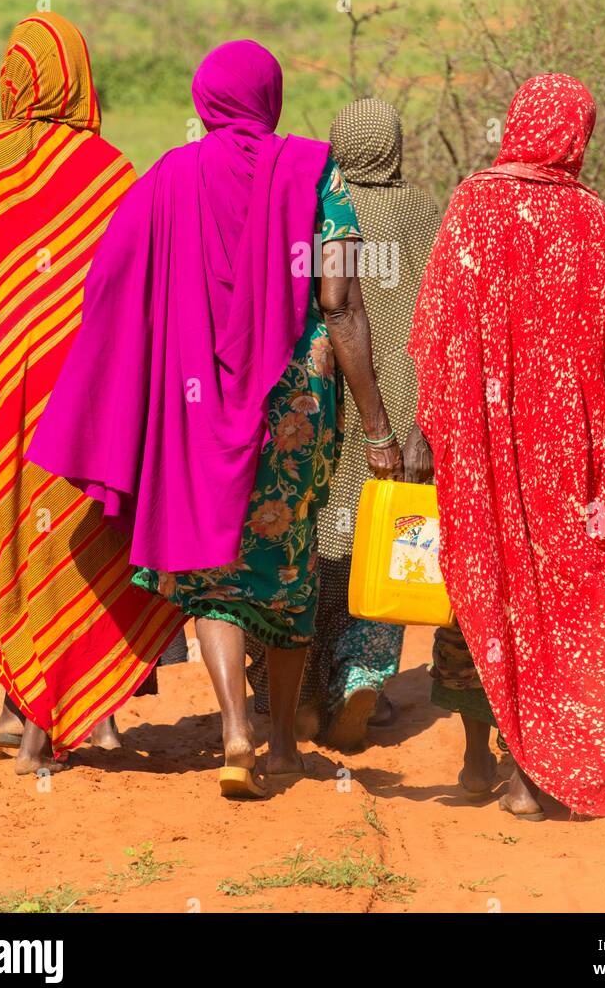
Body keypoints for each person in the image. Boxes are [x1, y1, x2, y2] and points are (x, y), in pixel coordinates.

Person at [28, 40, 403, 799]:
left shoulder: (168, 177)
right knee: (290, 567)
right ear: (272, 94)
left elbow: (114, 288)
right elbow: (342, 304)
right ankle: (287, 744)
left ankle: (234, 729)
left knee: (215, 574)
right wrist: (378, 427)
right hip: (298, 403)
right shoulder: (316, 170)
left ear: (206, 98)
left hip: (196, 404)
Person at [0, 14, 184, 774]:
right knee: (83, 539)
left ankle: (21, 704)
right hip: (89, 410)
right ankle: (87, 711)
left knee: (9, 533)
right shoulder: (111, 173)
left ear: (12, 78)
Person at [409, 72, 605, 819]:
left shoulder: (472, 204)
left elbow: (431, 330)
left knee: (489, 589)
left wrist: (434, 426)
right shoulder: (594, 221)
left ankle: (489, 758)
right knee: (563, 600)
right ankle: (540, 772)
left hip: (485, 450)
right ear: (576, 134)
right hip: (571, 456)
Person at [247, 98, 441, 748]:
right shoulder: (424, 210)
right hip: (412, 396)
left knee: (326, 532)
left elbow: (329, 302)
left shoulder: (326, 206)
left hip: (346, 390)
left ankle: (300, 688)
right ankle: (365, 675)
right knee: (391, 539)